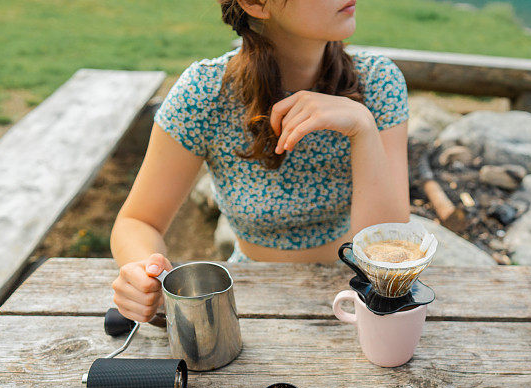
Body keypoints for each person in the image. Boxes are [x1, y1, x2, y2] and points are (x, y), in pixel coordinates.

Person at [109, 0, 410, 322]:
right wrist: (144, 272)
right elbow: (138, 221)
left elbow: (389, 246)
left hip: (357, 296)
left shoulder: (378, 82)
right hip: (249, 301)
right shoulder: (205, 94)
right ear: (254, 3)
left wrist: (362, 128)